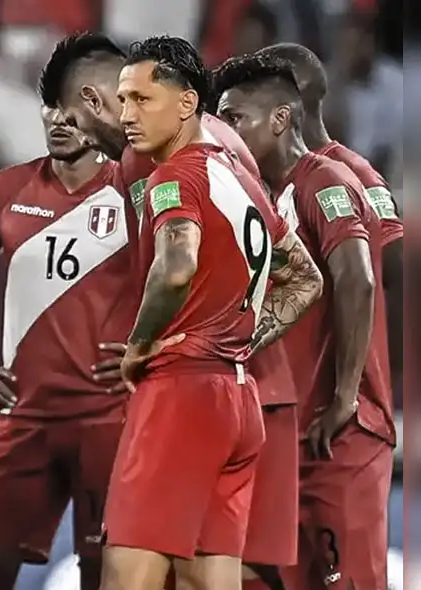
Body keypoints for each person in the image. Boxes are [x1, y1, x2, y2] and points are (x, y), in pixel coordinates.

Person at [101, 36, 320, 590]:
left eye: (142, 99)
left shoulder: (174, 176)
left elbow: (176, 265)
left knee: (127, 577)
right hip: (239, 400)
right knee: (210, 578)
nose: (126, 115)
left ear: (187, 103)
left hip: (180, 396)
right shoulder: (243, 181)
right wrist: (238, 343)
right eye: (123, 100)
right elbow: (305, 279)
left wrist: (138, 346)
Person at [0, 33, 148, 590]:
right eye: (50, 106)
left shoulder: (138, 189)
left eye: (73, 108)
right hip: (23, 420)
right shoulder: (2, 191)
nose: (59, 120)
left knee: (104, 576)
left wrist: (153, 348)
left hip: (108, 418)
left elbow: (193, 276)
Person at [213, 53, 393, 590]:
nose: (226, 133)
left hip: (341, 432)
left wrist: (346, 397)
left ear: (280, 118)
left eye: (235, 118)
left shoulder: (328, 179)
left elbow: (360, 280)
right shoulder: (260, 196)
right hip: (286, 428)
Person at [258, 42, 403, 414]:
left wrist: (360, 385)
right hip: (293, 396)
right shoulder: (270, 179)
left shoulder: (354, 174)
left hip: (343, 403)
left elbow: (393, 270)